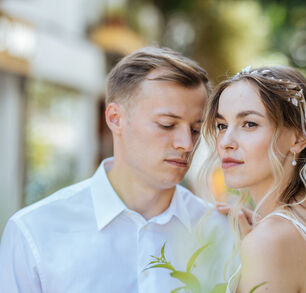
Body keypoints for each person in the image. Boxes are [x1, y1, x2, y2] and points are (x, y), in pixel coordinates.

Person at [0, 47, 234, 293]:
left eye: (195, 130)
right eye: (167, 125)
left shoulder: (223, 233)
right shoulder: (34, 232)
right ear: (115, 118)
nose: (186, 144)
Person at [199, 65, 306, 293]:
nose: (226, 141)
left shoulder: (271, 240)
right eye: (221, 125)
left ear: (298, 138)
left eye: (249, 124)